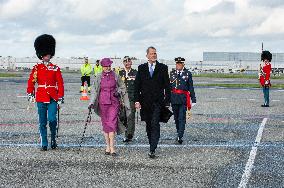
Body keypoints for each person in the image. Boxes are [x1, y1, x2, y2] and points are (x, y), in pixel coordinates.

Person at [27, 34, 64, 151]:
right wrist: (30, 93)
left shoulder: (55, 68)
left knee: (52, 119)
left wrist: (60, 96)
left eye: (48, 53)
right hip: (41, 97)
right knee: (42, 122)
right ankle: (44, 141)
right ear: (41, 55)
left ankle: (53, 138)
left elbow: (60, 83)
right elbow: (31, 81)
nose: (46, 55)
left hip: (53, 97)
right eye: (44, 54)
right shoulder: (37, 68)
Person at [134, 46, 171, 158]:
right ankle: (151, 143)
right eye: (151, 53)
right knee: (149, 125)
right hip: (145, 102)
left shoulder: (163, 68)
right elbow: (137, 86)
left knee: (155, 123)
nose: (154, 55)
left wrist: (167, 100)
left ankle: (152, 148)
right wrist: (136, 100)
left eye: (155, 53)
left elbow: (167, 86)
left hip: (158, 102)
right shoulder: (141, 68)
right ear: (147, 56)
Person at [89, 58, 130, 156]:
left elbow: (122, 87)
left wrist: (119, 91)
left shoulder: (116, 75)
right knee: (105, 125)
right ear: (102, 67)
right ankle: (107, 146)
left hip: (114, 103)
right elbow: (94, 90)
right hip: (102, 103)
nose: (108, 67)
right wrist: (91, 102)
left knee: (112, 124)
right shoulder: (98, 76)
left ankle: (112, 147)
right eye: (106, 66)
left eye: (109, 66)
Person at [170, 57, 196, 144]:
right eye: (177, 63)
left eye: (180, 64)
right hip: (174, 98)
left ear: (183, 64)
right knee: (176, 118)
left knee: (182, 118)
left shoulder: (188, 73)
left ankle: (180, 136)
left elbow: (190, 87)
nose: (178, 65)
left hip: (183, 99)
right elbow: (169, 86)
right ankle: (178, 132)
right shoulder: (172, 73)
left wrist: (193, 99)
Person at [119, 56, 137, 142]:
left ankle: (129, 134)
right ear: (123, 63)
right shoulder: (120, 73)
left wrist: (138, 100)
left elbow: (138, 87)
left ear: (131, 63)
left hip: (131, 98)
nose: (127, 63)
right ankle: (126, 131)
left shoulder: (136, 73)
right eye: (125, 62)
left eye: (128, 62)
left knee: (130, 116)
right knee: (123, 117)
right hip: (122, 99)